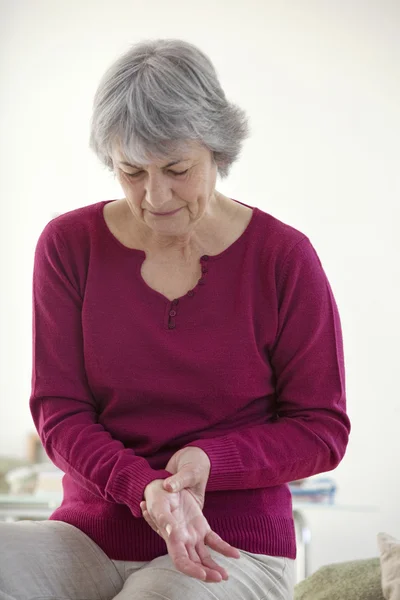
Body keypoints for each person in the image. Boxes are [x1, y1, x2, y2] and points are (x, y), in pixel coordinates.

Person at [0, 38, 351, 600]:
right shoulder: (70, 246)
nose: (154, 195)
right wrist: (145, 489)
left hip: (233, 545)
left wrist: (211, 461)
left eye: (177, 169)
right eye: (131, 171)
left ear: (218, 149)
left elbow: (321, 429)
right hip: (88, 538)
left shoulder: (283, 258)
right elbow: (59, 412)